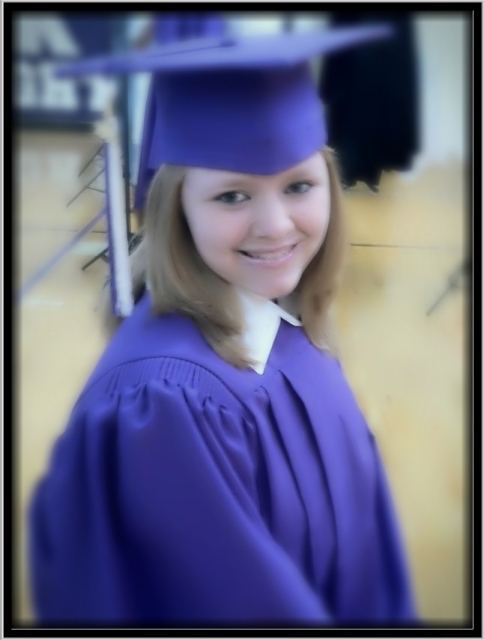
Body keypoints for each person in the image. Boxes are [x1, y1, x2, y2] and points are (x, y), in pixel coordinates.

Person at [28, 25, 418, 626]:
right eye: (232, 196)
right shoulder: (162, 405)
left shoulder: (284, 320)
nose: (276, 226)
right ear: (177, 207)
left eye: (299, 185)